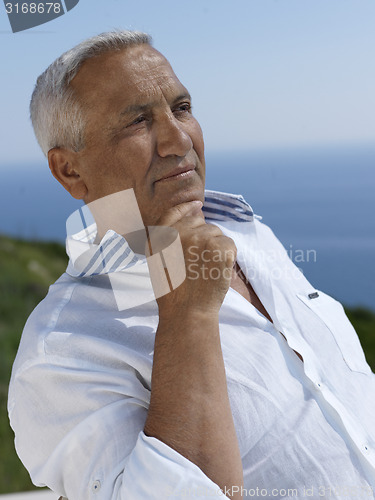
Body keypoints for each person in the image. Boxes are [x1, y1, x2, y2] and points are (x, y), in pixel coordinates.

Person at [8, 30, 375, 500]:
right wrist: (187, 314)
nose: (179, 139)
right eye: (138, 121)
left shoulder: (247, 232)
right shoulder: (62, 350)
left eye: (181, 108)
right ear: (69, 170)